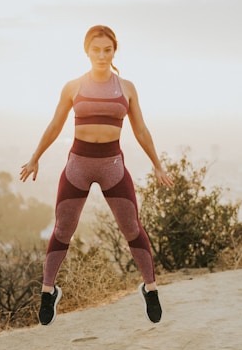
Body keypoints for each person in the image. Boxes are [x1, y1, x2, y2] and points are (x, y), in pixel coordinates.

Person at [20, 25, 174, 326]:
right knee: (63, 228)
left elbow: (140, 129)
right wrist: (34, 157)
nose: (102, 55)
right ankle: (48, 291)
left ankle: (150, 288)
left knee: (131, 227)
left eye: (108, 50)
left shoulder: (127, 87)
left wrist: (157, 164)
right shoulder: (73, 86)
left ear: (114, 51)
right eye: (96, 49)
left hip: (112, 166)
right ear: (86, 51)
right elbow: (54, 126)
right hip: (78, 164)